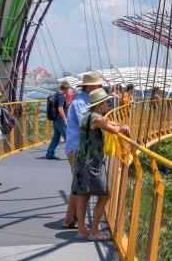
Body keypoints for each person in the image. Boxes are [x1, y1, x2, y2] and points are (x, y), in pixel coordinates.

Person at [73, 88, 130, 241]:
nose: (109, 104)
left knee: (83, 196)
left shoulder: (86, 116)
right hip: (92, 162)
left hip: (81, 160)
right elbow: (112, 129)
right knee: (105, 196)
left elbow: (105, 123)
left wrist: (111, 123)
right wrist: (123, 128)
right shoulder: (97, 119)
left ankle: (81, 231)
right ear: (101, 104)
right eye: (107, 102)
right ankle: (94, 232)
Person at [63, 71, 104, 229]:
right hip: (77, 147)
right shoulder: (81, 102)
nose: (101, 86)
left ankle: (71, 218)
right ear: (91, 86)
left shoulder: (86, 100)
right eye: (99, 84)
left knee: (78, 183)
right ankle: (69, 219)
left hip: (79, 146)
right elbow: (87, 123)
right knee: (79, 184)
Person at [45, 81, 72, 160]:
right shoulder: (61, 97)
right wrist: (65, 119)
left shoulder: (55, 95)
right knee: (68, 137)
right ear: (66, 88)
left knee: (56, 138)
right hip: (60, 120)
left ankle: (49, 154)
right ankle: (72, 155)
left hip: (55, 119)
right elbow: (60, 109)